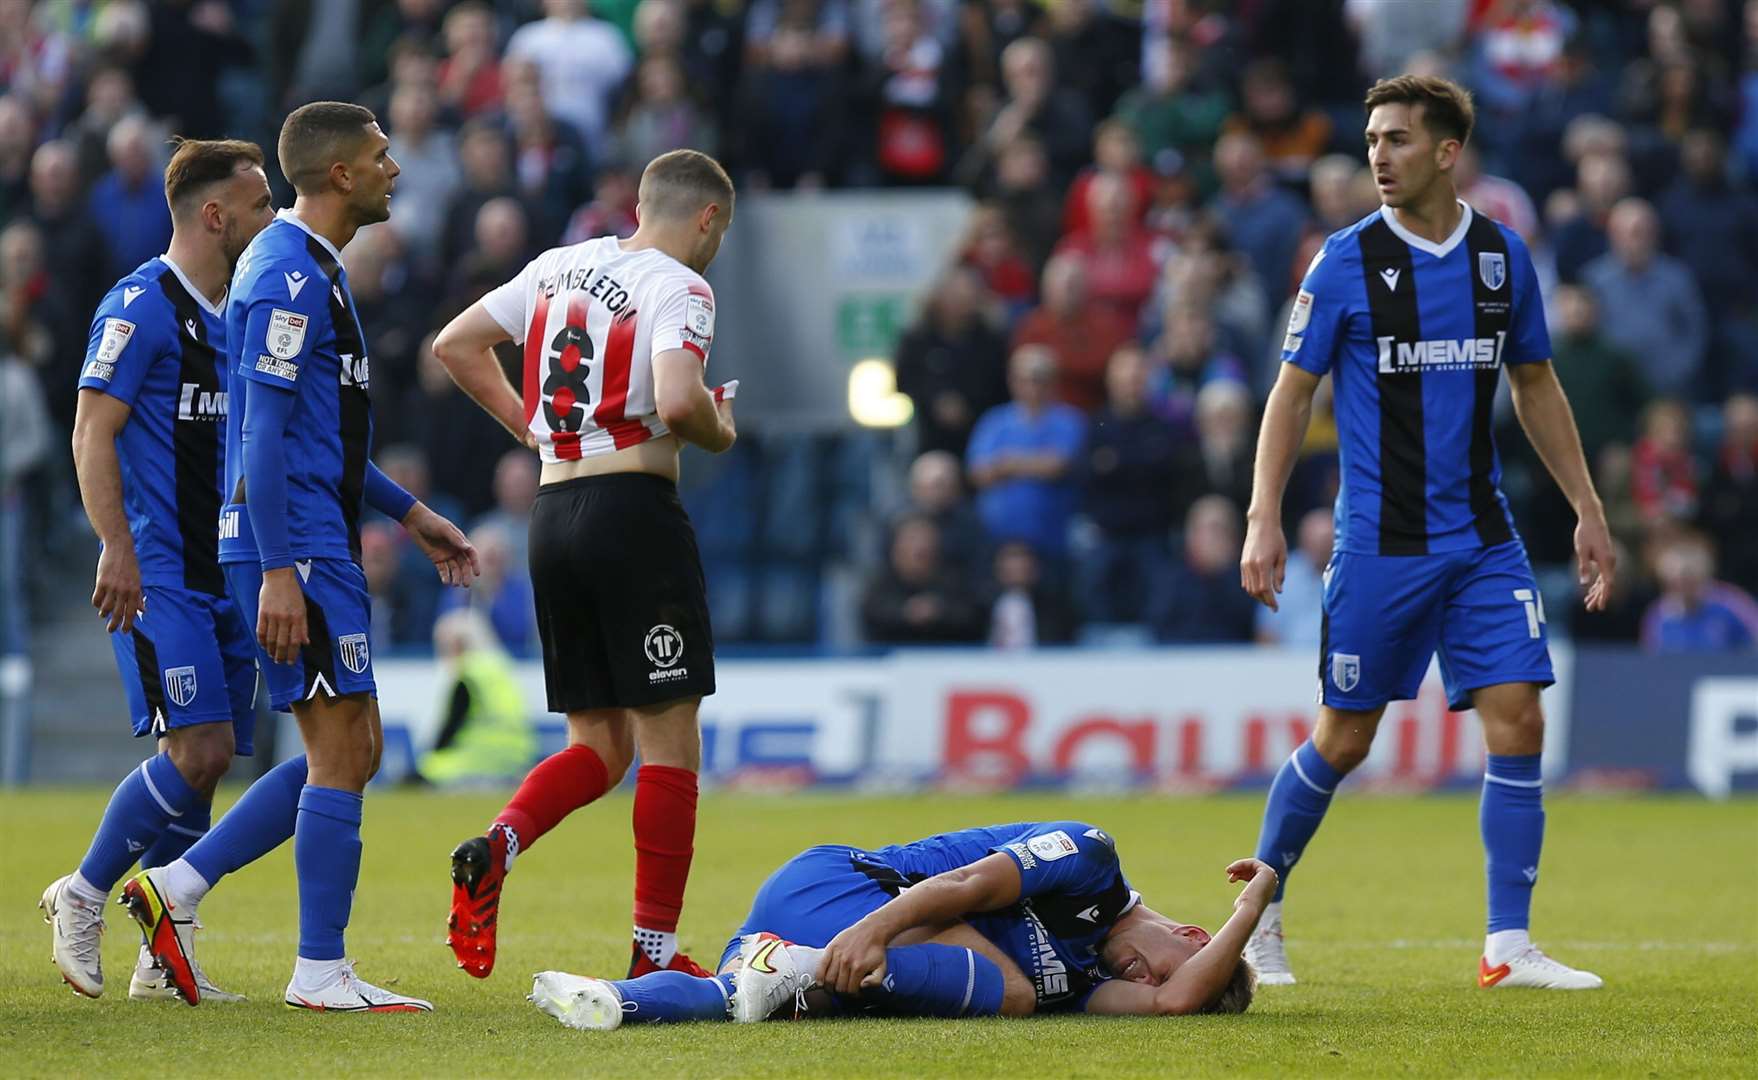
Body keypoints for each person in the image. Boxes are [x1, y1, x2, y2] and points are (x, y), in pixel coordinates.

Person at [1239, 76, 1615, 990]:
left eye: (1398, 139)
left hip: (1484, 539)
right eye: (1372, 139)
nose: (1377, 155)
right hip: (1382, 544)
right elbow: (1293, 392)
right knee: (1344, 739)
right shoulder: (1342, 262)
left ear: (1449, 152)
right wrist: (1263, 516)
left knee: (1519, 715)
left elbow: (1534, 385)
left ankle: (1507, 945)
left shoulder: (1501, 258)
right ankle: (1259, 917)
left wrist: (1588, 508)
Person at [124, 104, 478, 1014]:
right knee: (337, 748)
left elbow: (313, 434)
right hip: (299, 549)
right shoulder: (286, 274)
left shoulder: (312, 267)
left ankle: (182, 885)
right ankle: (318, 969)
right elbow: (265, 438)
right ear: (341, 176)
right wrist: (279, 566)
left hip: (317, 538)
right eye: (381, 155)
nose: (396, 168)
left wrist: (410, 513)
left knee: (352, 748)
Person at [431, 148, 738, 983]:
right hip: (633, 515)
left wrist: (531, 427)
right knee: (669, 743)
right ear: (706, 217)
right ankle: (653, 955)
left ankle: (498, 843)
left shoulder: (559, 265)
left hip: (552, 515)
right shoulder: (680, 285)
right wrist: (721, 425)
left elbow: (456, 344)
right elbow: (678, 403)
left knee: (598, 749)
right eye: (719, 234)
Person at [41, 139, 274, 1005]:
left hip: (226, 569)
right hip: (159, 567)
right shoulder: (139, 306)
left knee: (210, 760)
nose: (269, 221)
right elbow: (89, 431)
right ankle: (86, 892)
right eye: (257, 207)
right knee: (201, 746)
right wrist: (116, 545)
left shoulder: (237, 310)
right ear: (215, 215)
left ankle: (159, 958)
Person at [526, 820, 1269, 1029]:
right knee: (1014, 992)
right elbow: (970, 883)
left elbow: (1174, 1003)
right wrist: (871, 934)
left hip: (833, 937)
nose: (1138, 981)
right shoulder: (1090, 855)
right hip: (839, 887)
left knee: (743, 1004)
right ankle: (801, 966)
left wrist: (1252, 916)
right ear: (1191, 936)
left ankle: (610, 999)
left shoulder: (1091, 980)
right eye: (1161, 966)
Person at [417, 608, 537, 786]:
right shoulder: (500, 667)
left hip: (477, 760)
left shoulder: (468, 674)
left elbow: (452, 725)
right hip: (515, 759)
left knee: (426, 769)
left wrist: (431, 752)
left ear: (458, 643)